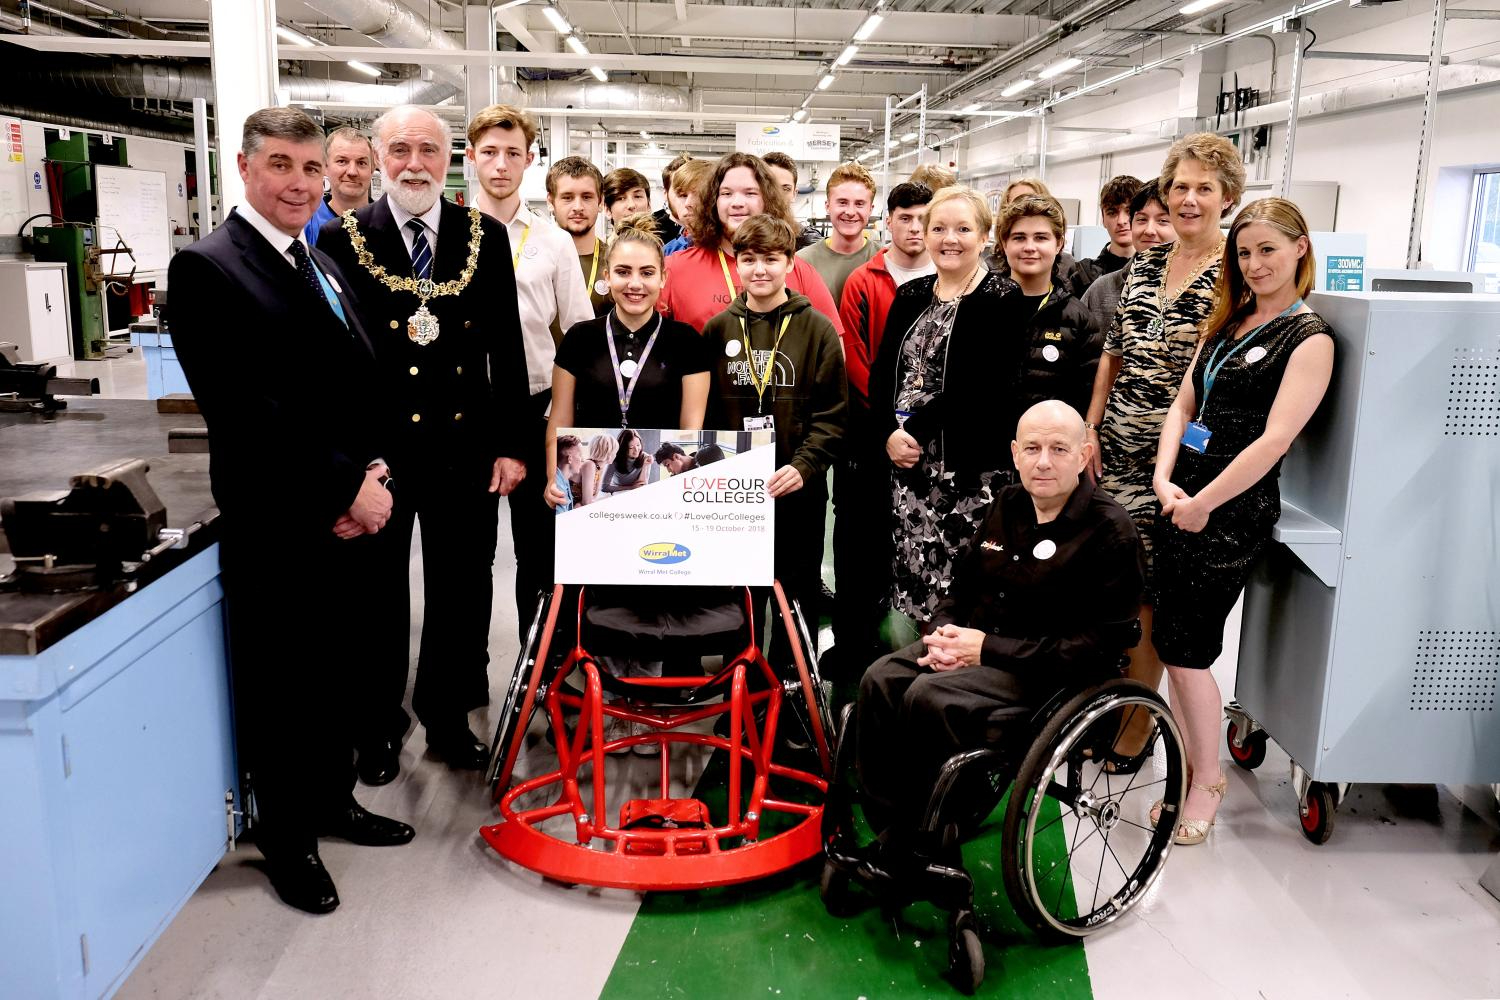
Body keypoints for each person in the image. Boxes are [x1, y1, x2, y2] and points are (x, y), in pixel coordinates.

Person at [172, 107, 414, 915]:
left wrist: (374, 468)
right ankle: (288, 839)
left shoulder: (319, 258)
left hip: (345, 510)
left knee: (336, 671)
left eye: (311, 169)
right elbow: (247, 410)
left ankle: (332, 801)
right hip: (279, 520)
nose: (300, 183)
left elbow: (358, 379)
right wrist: (350, 485)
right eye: (282, 165)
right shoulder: (210, 269)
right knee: (284, 684)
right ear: (244, 168)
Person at [317, 104, 531, 778]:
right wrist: (348, 466)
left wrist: (512, 444)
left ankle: (448, 717)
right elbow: (331, 361)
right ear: (379, 158)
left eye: (429, 151)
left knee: (462, 589)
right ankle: (378, 726)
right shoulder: (341, 240)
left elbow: (507, 347)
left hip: (464, 445)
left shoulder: (484, 237)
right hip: (380, 454)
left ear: (449, 160)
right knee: (374, 595)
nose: (416, 164)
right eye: (402, 150)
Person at [855, 400, 1144, 864]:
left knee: (929, 698)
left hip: (1050, 673)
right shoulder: (1008, 503)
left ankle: (927, 839)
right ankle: (894, 825)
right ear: (1014, 453)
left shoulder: (1111, 532)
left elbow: (1097, 646)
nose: (1043, 461)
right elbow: (960, 589)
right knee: (880, 679)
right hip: (978, 647)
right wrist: (945, 634)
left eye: (1058, 449)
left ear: (1085, 454)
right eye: (1031, 448)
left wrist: (985, 649)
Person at [1150, 198, 1334, 844]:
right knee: (1173, 645)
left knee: (1188, 646)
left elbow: (1275, 440)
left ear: (1300, 249)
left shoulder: (1309, 339)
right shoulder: (1227, 321)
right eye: (1245, 252)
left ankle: (1208, 781)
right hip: (1182, 495)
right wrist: (1164, 475)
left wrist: (1206, 502)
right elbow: (1184, 402)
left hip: (1232, 508)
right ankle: (1186, 768)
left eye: (1268, 251)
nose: (1255, 264)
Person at [1083, 131, 1245, 770]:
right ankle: (1108, 704)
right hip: (1116, 447)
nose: (1189, 199)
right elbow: (1112, 354)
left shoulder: (1234, 275)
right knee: (1110, 587)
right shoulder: (1146, 265)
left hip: (1176, 462)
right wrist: (1091, 426)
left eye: (1204, 188)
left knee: (1149, 595)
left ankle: (1134, 727)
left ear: (1226, 198)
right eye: (1180, 186)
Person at [465, 103, 594, 636]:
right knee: (467, 555)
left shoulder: (552, 240)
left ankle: (539, 666)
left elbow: (581, 334)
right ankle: (466, 672)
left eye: (512, 153)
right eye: (489, 153)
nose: (500, 164)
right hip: (467, 409)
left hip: (538, 407)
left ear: (530, 160)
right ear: (470, 157)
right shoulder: (449, 236)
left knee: (539, 554)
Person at [869, 186, 1022, 625]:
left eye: (962, 229)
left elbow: (983, 385)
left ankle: (960, 681)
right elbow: (883, 373)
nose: (949, 238)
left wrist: (912, 430)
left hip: (968, 469)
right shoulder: (912, 294)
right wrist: (888, 435)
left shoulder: (1001, 298)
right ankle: (923, 675)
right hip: (909, 466)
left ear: (984, 237)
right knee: (917, 577)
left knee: (967, 582)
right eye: (938, 228)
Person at [702, 213, 847, 640]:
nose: (759, 269)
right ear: (737, 265)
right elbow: (704, 414)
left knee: (794, 597)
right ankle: (738, 687)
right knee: (737, 599)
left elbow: (833, 415)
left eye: (770, 258)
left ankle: (791, 695)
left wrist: (803, 467)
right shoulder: (717, 330)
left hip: (796, 488)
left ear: (790, 263)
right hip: (734, 494)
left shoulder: (817, 328)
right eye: (748, 259)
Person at [832, 180, 935, 668]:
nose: (915, 229)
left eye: (924, 219)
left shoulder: (956, 279)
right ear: (888, 221)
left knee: (921, 541)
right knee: (861, 538)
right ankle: (854, 645)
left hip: (930, 435)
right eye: (906, 218)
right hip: (871, 428)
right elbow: (853, 354)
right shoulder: (864, 279)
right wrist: (887, 420)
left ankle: (919, 648)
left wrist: (919, 424)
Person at [543, 213, 712, 508]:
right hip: (595, 501)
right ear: (607, 276)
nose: (635, 283)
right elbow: (560, 419)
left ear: (663, 277)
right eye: (623, 272)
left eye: (647, 273)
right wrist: (552, 478)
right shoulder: (579, 338)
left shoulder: (686, 341)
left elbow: (692, 423)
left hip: (659, 499)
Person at [660, 152, 843, 336]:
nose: (737, 203)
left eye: (750, 193)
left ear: (768, 200)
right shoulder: (674, 270)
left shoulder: (799, 271)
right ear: (713, 201)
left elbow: (833, 349)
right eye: (726, 193)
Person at [994, 195, 1103, 443]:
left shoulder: (1079, 319)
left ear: (1059, 244)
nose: (1029, 247)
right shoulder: (980, 307)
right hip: (988, 455)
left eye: (1041, 237)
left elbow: (1087, 396)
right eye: (1019, 237)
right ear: (1004, 242)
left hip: (1050, 453)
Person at [1079, 179, 1175, 333]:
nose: (1149, 230)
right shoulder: (1100, 290)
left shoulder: (1199, 288)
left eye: (1162, 220)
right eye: (1141, 219)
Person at [796, 161, 879, 306]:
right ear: (828, 206)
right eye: (842, 202)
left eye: (859, 203)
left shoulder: (884, 260)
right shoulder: (802, 262)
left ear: (870, 209)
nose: (850, 212)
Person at [546, 155, 610, 318]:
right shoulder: (535, 259)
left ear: (601, 202)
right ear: (550, 202)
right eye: (567, 198)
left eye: (587, 197)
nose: (578, 207)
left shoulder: (615, 261)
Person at [1069, 174, 1142, 295]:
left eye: (1129, 211)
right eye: (1112, 213)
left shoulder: (1158, 271)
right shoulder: (1083, 276)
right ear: (1103, 219)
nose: (1121, 221)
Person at [303, 125, 373, 247]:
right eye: (342, 161)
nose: (352, 172)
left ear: (372, 169)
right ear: (325, 166)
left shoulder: (392, 223)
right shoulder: (305, 225)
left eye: (361, 163)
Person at [762, 151, 821, 249]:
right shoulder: (739, 236)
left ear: (794, 194)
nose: (777, 195)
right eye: (770, 187)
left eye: (785, 189)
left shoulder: (806, 241)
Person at [661, 157, 713, 257]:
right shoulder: (667, 253)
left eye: (699, 195)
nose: (688, 203)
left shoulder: (733, 248)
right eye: (682, 195)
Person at [601, 427, 654, 492]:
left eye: (638, 445)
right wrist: (631, 487)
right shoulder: (614, 459)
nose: (636, 450)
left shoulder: (646, 457)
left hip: (635, 493)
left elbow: (642, 484)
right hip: (617, 493)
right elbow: (604, 487)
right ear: (623, 448)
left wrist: (645, 465)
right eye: (631, 447)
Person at [653, 154, 690, 245]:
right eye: (682, 194)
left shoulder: (713, 234)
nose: (690, 201)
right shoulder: (651, 235)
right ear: (665, 194)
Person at [577, 433, 619, 506]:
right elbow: (586, 502)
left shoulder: (600, 467)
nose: (615, 455)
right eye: (615, 452)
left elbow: (594, 496)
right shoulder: (589, 465)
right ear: (608, 452)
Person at [553, 434, 582, 514]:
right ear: (569, 459)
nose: (582, 459)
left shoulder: (564, 479)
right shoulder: (557, 489)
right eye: (580, 455)